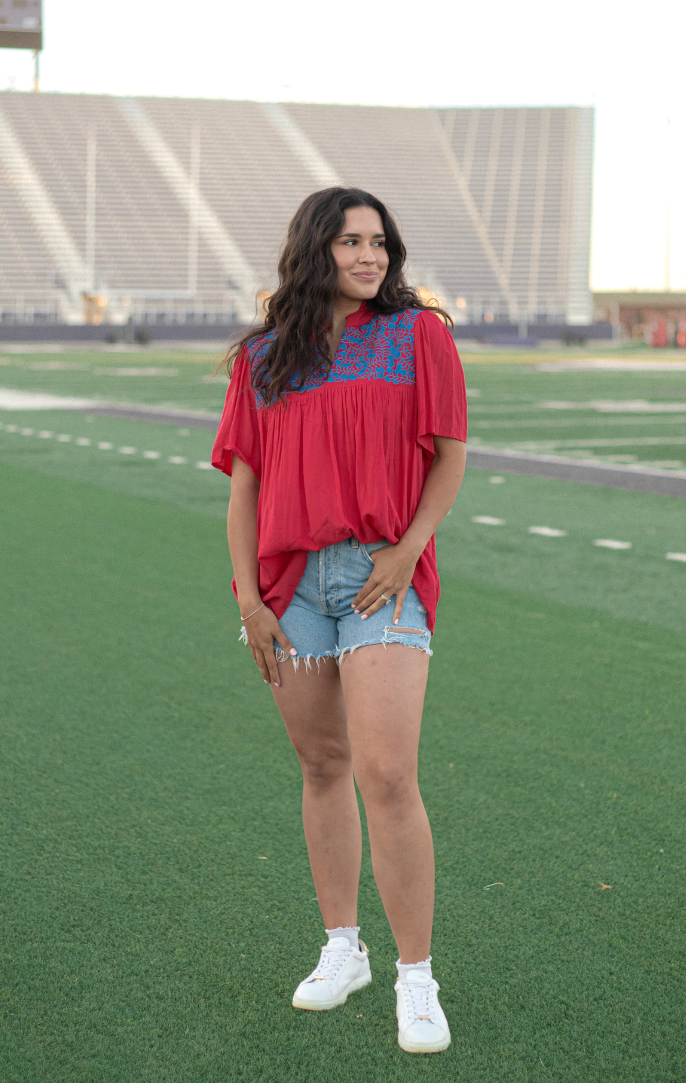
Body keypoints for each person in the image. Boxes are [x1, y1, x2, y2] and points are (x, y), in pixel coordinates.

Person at [212, 187, 467, 1054]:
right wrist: (248, 597)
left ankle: (417, 981)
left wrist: (409, 550)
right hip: (290, 588)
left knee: (389, 773)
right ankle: (341, 949)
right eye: (352, 242)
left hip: (379, 575)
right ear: (314, 249)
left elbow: (450, 455)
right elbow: (245, 484)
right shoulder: (264, 357)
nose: (370, 257)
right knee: (323, 765)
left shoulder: (419, 335)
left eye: (380, 243)